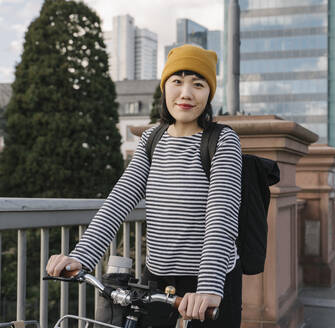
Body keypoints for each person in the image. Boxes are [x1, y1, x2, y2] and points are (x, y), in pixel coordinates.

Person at [46, 44, 243, 328]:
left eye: (198, 84)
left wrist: (209, 287)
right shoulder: (152, 139)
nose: (186, 93)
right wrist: (82, 257)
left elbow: (221, 215)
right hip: (157, 280)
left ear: (209, 93)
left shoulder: (222, 141)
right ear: (165, 88)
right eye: (177, 82)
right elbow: (119, 200)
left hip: (207, 281)